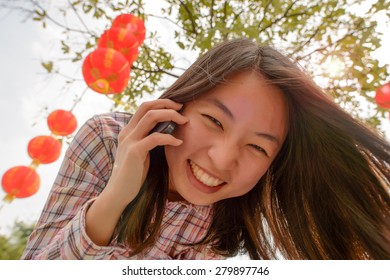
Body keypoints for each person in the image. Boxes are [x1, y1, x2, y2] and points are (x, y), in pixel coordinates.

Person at [21, 38, 390, 260]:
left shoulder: (227, 215)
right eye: (215, 121)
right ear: (180, 104)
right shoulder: (106, 138)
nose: (223, 159)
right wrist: (115, 197)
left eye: (258, 148)